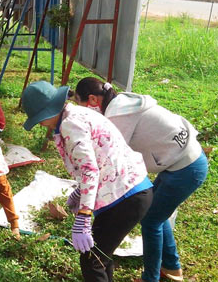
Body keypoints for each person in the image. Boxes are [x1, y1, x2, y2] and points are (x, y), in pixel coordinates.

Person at [74, 77, 209, 282]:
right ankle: (172, 268)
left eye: (83, 106)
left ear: (93, 99)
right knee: (157, 214)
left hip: (187, 168)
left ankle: (150, 278)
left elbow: (111, 159)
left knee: (151, 219)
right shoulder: (122, 102)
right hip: (183, 161)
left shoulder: (119, 116)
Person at [21, 81, 153, 282]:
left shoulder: (70, 124)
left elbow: (90, 169)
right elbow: (99, 159)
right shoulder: (78, 114)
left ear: (47, 113)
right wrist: (81, 192)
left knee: (92, 260)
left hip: (126, 197)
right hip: (128, 190)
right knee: (100, 255)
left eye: (39, 119)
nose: (40, 124)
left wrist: (83, 216)